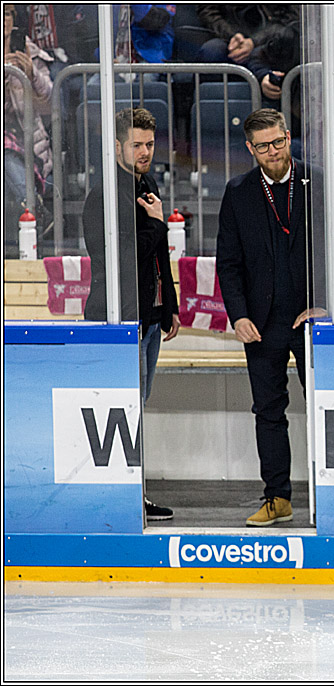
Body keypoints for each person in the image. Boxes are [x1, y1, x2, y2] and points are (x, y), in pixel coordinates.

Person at [216, 108, 313, 527]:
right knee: (269, 411)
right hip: (261, 322)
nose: (272, 151)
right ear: (250, 149)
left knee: (324, 405)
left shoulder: (316, 181)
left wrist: (324, 304)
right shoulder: (238, 191)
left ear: (288, 137)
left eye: (278, 142)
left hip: (310, 318)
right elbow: (228, 262)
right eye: (263, 146)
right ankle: (277, 497)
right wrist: (238, 315)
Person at [83, 107, 179, 521]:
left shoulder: (146, 184)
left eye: (150, 144)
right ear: (117, 145)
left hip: (150, 315)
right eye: (136, 144)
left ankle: (135, 493)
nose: (145, 152)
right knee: (124, 407)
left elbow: (158, 256)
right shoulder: (105, 195)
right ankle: (125, 496)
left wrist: (170, 304)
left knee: (138, 404)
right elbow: (120, 259)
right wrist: (158, 224)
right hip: (120, 318)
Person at [4, 3, 53, 257]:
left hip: (27, 141)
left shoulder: (29, 51)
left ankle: (32, 209)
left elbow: (50, 99)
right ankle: (34, 208)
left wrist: (31, 74)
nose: (3, 20)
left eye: (7, 14)